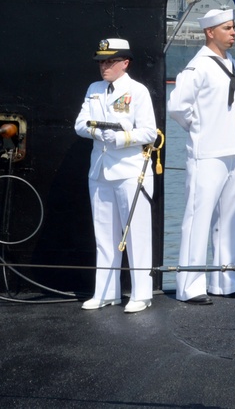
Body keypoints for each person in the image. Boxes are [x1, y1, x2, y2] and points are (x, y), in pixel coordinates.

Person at [167, 8, 235, 304]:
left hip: (233, 153)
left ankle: (225, 281)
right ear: (209, 32)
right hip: (207, 154)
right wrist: (199, 129)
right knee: (197, 219)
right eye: (226, 28)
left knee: (230, 219)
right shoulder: (197, 67)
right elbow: (177, 107)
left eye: (233, 27)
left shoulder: (234, 64)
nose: (233, 32)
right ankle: (189, 286)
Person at [73, 38, 157, 314]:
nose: (104, 67)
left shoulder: (138, 91)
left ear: (125, 63)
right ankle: (107, 292)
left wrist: (119, 138)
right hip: (99, 168)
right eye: (101, 61)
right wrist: (99, 132)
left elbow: (148, 133)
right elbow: (80, 124)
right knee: (104, 234)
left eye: (109, 61)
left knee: (136, 235)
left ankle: (141, 294)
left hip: (130, 170)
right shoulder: (94, 90)